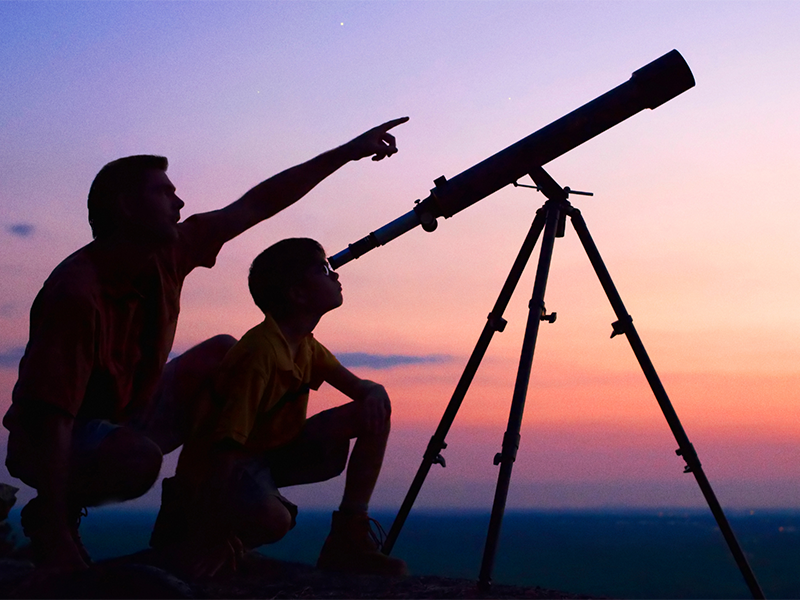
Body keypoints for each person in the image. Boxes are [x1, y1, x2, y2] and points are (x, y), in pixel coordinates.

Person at [2, 117, 408, 576]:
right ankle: (55, 519)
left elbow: (258, 203)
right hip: (56, 438)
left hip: (125, 416)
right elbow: (52, 419)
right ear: (127, 208)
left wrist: (346, 153)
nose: (179, 201)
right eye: (163, 192)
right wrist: (57, 539)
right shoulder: (76, 294)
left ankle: (193, 511)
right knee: (138, 459)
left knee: (221, 352)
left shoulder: (171, 253)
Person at [150, 238, 407, 577]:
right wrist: (211, 531)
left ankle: (349, 536)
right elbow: (225, 448)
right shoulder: (261, 352)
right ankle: (208, 541)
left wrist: (375, 391)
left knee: (374, 411)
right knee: (276, 520)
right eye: (323, 269)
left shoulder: (306, 347)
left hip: (266, 453)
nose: (335, 274)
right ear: (297, 294)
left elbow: (363, 390)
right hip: (219, 469)